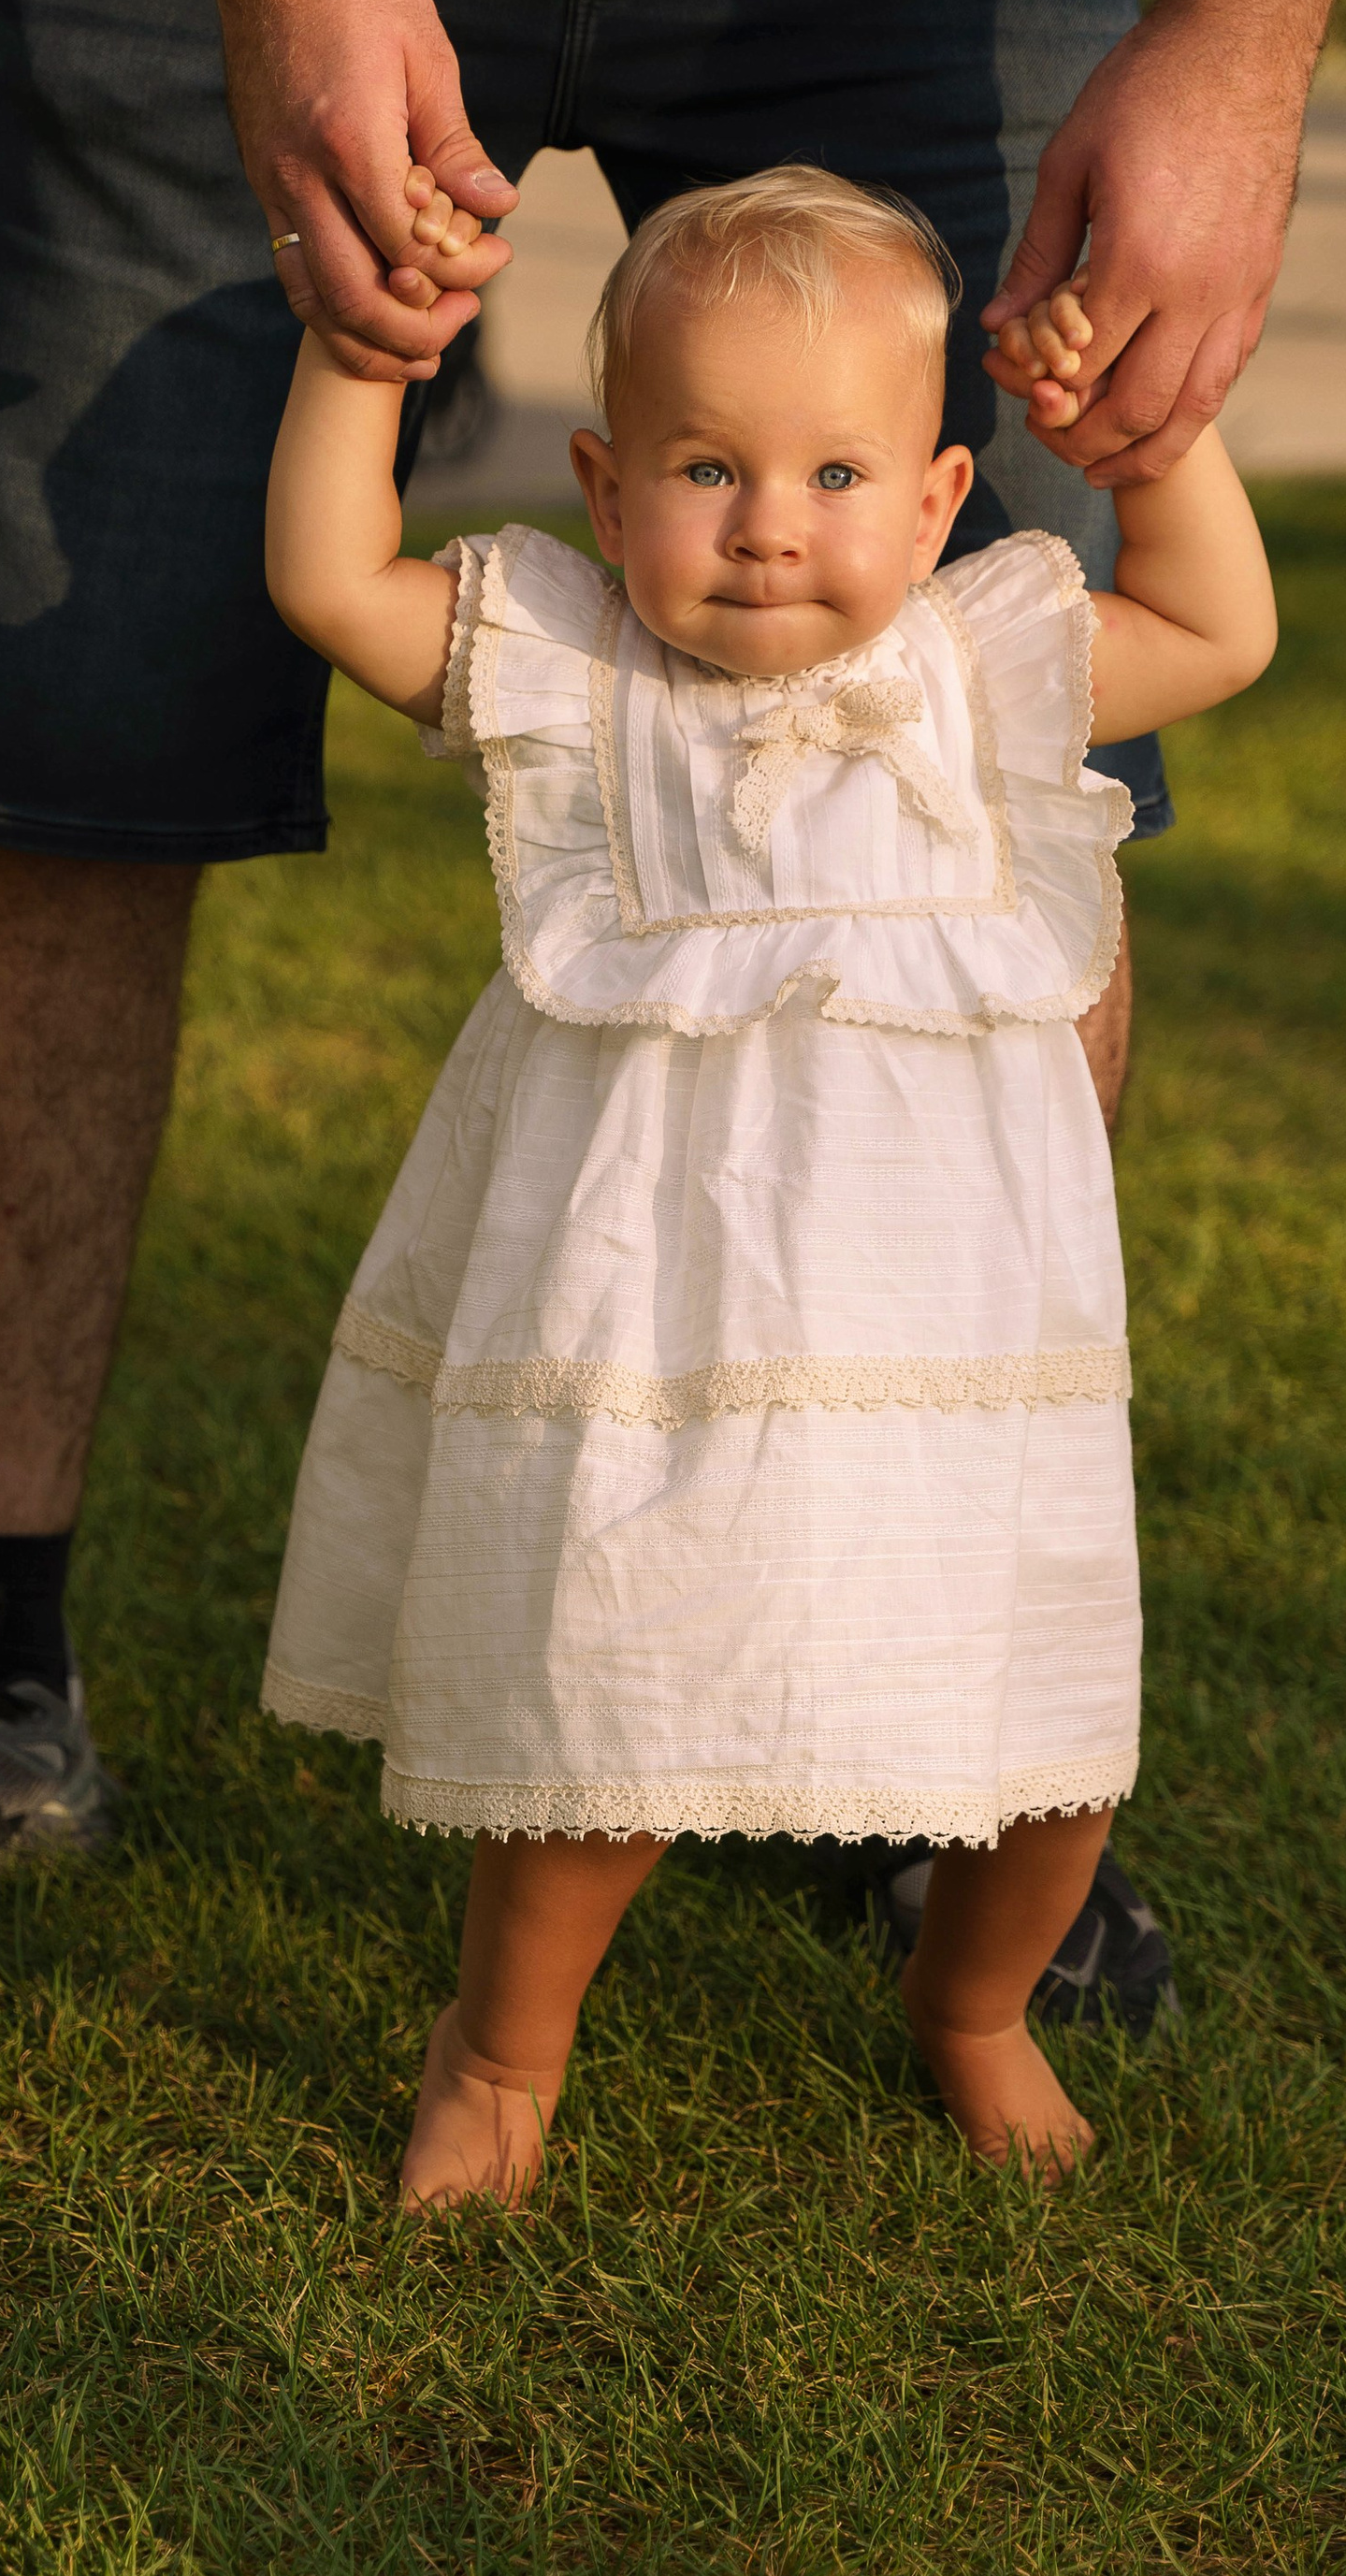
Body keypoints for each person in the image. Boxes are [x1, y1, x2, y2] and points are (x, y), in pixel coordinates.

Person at [0, 0, 1346, 1990]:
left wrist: (1238, 26)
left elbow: (1167, 643)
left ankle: (914, 1718)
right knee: (51, 743)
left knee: (1004, 820)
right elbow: (329, 587)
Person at [260, 166, 1275, 2196]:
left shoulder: (981, 673)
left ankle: (969, 2003)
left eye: (831, 468)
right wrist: (357, 356)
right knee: (611, 1707)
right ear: (603, 478)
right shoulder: (575, 675)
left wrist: (1152, 448)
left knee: (1038, 1747)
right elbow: (326, 586)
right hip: (659, 1328)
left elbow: (1220, 627)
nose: (766, 522)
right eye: (704, 464)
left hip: (953, 1343)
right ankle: (502, 2043)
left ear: (931, 500)